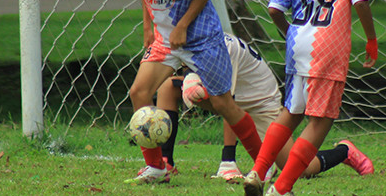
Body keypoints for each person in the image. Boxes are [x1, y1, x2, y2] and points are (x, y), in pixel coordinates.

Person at [105, 0, 263, 184]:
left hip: (200, 38)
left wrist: (182, 26)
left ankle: (263, 165)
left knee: (224, 104)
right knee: (139, 92)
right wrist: (149, 27)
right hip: (167, 40)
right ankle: (157, 168)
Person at [242, 0, 378, 196]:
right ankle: (282, 188)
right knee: (321, 121)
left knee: (291, 113)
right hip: (328, 48)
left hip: (298, 43)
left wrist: (288, 32)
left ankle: (257, 172)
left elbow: (275, 8)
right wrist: (371, 39)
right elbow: (361, 2)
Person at [154, 33, 374, 180]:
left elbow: (228, 103)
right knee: (167, 87)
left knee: (300, 170)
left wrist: (227, 162)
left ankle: (344, 151)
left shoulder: (224, 49)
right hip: (237, 100)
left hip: (261, 105)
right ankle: (165, 162)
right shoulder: (186, 43)